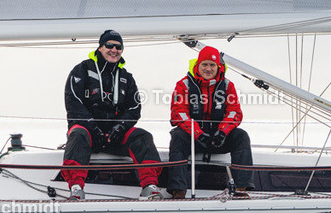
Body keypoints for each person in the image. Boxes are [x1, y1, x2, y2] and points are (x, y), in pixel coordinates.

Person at [61, 30, 163, 200]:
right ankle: (76, 187)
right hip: (89, 134)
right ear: (100, 47)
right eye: (109, 45)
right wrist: (93, 128)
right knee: (78, 134)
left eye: (118, 47)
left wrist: (120, 127)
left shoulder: (126, 77)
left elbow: (134, 107)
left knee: (143, 136)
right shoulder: (82, 70)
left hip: (116, 136)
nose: (114, 50)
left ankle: (149, 186)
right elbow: (73, 102)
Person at [166, 45, 253, 199]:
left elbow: (234, 112)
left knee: (241, 136)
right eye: (204, 64)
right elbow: (179, 113)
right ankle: (178, 190)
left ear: (218, 66)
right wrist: (198, 134)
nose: (208, 69)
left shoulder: (227, 86)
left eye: (212, 65)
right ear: (197, 65)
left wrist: (223, 132)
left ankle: (241, 188)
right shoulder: (183, 85)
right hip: (194, 137)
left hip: (218, 137)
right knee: (178, 136)